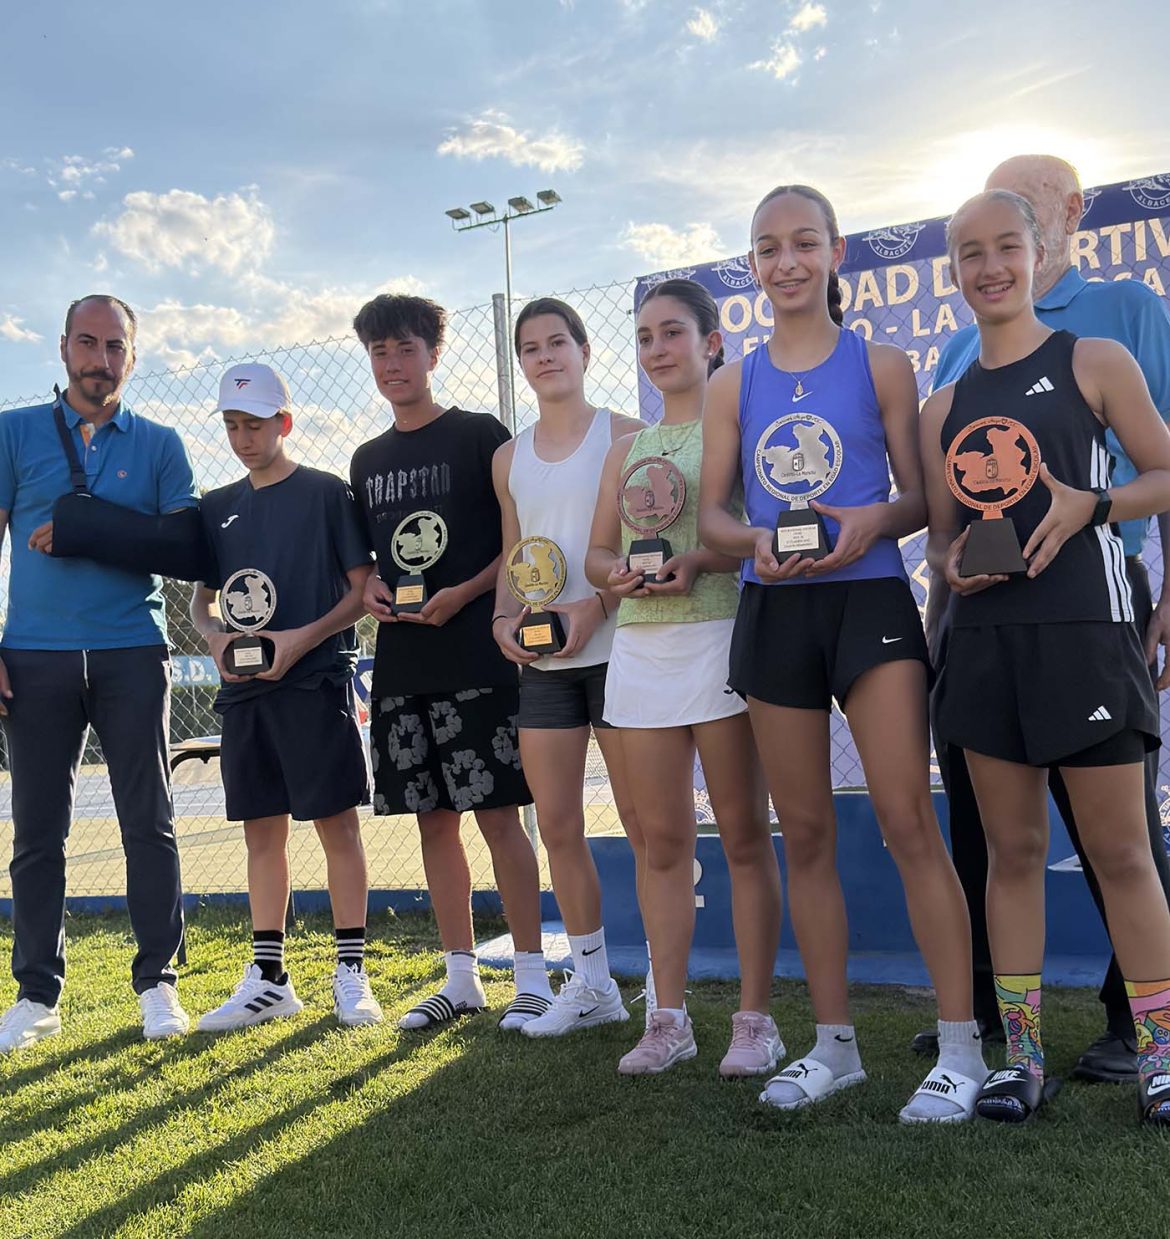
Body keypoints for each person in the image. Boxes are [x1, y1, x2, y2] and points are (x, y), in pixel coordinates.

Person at [699, 186, 985, 1121]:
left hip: (869, 606)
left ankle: (960, 1047)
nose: (786, 262)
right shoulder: (732, 382)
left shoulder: (884, 365)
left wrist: (868, 524)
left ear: (836, 252)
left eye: (804, 243)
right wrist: (759, 550)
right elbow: (713, 516)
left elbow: (924, 500)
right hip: (774, 613)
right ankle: (834, 1047)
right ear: (752, 265)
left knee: (909, 819)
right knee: (806, 835)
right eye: (768, 247)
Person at [914, 155, 1170, 1084]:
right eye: (970, 253)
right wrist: (952, 571)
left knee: (1122, 851)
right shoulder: (942, 403)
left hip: (1089, 637)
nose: (990, 267)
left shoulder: (1096, 358)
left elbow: (1163, 471)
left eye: (1006, 247)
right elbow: (943, 543)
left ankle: (1160, 1055)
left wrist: (1090, 507)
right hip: (986, 649)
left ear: (1038, 250)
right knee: (1012, 854)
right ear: (954, 270)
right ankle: (1020, 1058)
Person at [584, 278, 783, 1077]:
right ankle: (667, 1017)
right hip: (640, 652)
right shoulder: (627, 451)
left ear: (711, 343)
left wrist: (705, 557)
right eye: (645, 337)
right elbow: (598, 554)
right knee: (660, 841)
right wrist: (618, 579)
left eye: (673, 333)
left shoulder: (739, 428)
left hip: (724, 638)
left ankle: (755, 1019)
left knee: (741, 834)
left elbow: (759, 530)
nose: (658, 349)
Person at [0, 294, 195, 1050]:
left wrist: (89, 528)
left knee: (147, 820)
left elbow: (184, 549)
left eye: (116, 347)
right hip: (33, 654)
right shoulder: (14, 433)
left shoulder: (160, 443)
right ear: (62, 348)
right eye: (88, 343)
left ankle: (158, 983)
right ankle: (37, 992)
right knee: (35, 831)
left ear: (131, 358)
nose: (100, 359)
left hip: (130, 651)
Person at [351, 294, 549, 1031]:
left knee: (501, 817)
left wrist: (465, 593)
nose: (392, 365)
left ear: (434, 354)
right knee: (432, 822)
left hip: (477, 653)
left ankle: (531, 976)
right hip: (402, 663)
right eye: (378, 352)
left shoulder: (478, 436)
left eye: (404, 349)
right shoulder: (366, 459)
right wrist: (371, 586)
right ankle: (460, 977)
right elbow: (375, 560)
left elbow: (518, 538)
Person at [191, 363, 382, 1030]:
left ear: (285, 422)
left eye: (256, 423)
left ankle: (351, 970)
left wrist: (301, 638)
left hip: (315, 681)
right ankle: (270, 977)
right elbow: (200, 599)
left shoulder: (327, 493)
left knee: (337, 825)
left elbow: (363, 590)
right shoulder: (215, 507)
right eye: (233, 425)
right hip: (246, 695)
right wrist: (213, 638)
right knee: (260, 833)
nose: (244, 437)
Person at [492, 298, 645, 1038]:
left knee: (650, 828)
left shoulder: (626, 435)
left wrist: (597, 609)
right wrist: (501, 619)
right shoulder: (508, 457)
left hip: (623, 654)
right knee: (557, 822)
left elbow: (650, 547)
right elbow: (514, 555)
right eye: (531, 347)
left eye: (558, 342)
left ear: (586, 351)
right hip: (548, 666)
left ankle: (670, 993)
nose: (546, 355)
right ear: (521, 362)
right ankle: (592, 983)